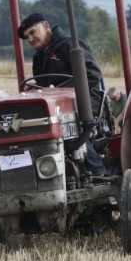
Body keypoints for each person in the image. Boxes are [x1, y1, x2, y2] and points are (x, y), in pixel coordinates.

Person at [18, 13, 107, 176]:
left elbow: (93, 74)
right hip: (55, 106)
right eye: (27, 37)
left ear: (45, 25)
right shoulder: (39, 57)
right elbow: (41, 84)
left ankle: (98, 172)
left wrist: (64, 90)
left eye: (32, 32)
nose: (30, 39)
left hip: (83, 101)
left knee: (68, 130)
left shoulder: (70, 45)